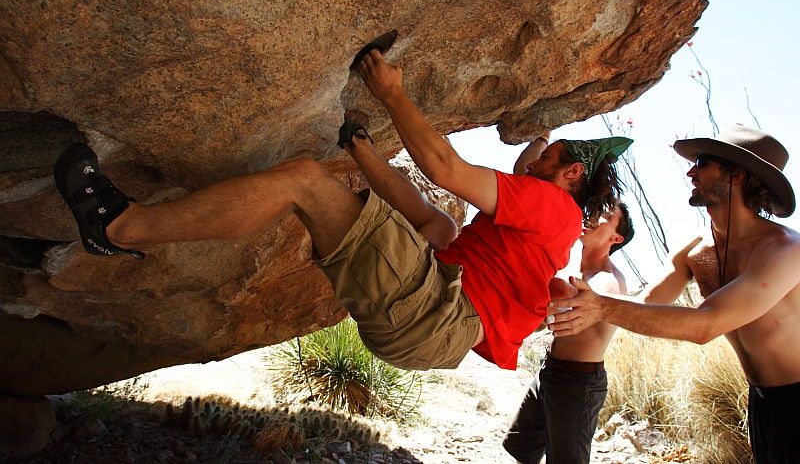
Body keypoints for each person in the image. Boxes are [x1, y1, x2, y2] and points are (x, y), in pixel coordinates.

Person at [54, 49, 629, 371]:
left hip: (434, 315)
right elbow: (427, 209)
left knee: (305, 182)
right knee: (442, 224)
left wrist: (392, 94)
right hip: (435, 327)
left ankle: (120, 226)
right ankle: (358, 151)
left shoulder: (551, 204)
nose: (535, 154)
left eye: (549, 153)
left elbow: (448, 170)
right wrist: (362, 150)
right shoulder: (542, 233)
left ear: (571, 174)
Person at [547, 126, 800, 463]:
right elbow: (648, 304)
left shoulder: (784, 250)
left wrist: (600, 307)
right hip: (762, 401)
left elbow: (705, 326)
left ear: (737, 175)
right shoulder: (695, 250)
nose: (691, 171)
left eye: (703, 163)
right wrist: (585, 298)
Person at [503, 140, 635, 464]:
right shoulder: (576, 263)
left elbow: (587, 301)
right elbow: (524, 176)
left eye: (605, 217)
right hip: (551, 369)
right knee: (520, 449)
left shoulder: (609, 278)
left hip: (579, 384)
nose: (594, 217)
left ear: (615, 238)